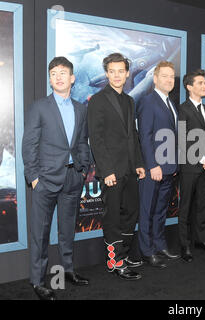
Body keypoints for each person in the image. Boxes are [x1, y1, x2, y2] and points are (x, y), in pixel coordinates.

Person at [22, 57, 90, 300]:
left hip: (73, 178)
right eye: (53, 73)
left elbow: (82, 142)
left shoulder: (81, 109)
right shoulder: (39, 107)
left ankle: (67, 271)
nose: (58, 77)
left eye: (63, 73)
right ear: (50, 79)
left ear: (72, 78)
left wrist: (82, 170)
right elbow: (29, 145)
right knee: (40, 234)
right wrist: (34, 178)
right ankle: (38, 281)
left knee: (67, 229)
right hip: (45, 181)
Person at [88, 53, 146, 281]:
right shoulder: (99, 100)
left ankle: (124, 253)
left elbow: (133, 134)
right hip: (112, 170)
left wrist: (140, 163)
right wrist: (106, 170)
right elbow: (96, 138)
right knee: (112, 216)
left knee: (131, 212)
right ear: (106, 73)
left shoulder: (130, 100)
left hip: (130, 168)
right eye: (112, 71)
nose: (116, 75)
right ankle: (116, 261)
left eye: (120, 70)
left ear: (127, 73)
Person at [137, 61, 180, 268]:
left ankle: (160, 245)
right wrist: (152, 165)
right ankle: (146, 251)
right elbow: (144, 136)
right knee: (147, 210)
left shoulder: (171, 103)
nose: (169, 80)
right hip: (153, 169)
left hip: (169, 168)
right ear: (155, 79)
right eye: (164, 76)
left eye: (172, 76)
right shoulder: (148, 101)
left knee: (161, 210)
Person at [177, 69, 205, 262]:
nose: (204, 86)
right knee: (185, 206)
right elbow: (183, 139)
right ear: (189, 87)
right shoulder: (182, 109)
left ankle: (202, 240)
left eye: (204, 83)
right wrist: (203, 160)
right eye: (200, 83)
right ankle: (185, 245)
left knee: (203, 205)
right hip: (190, 167)